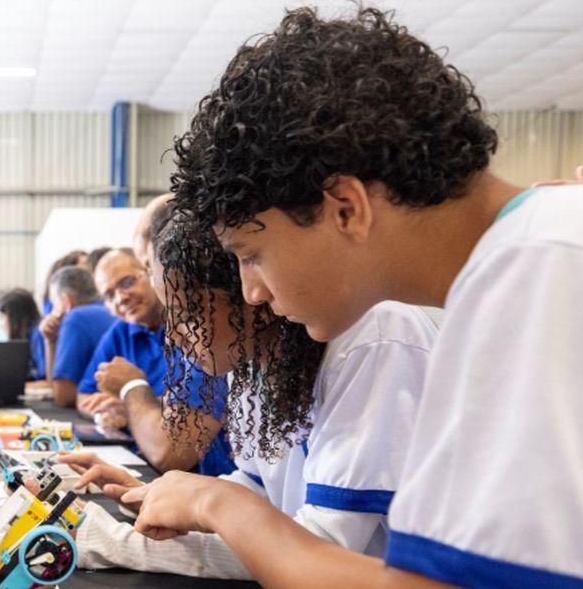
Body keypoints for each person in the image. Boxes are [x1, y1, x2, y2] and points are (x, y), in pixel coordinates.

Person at [130, 4, 583, 587]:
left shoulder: (546, 270)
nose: (251, 291)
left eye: (251, 255)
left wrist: (217, 504)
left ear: (346, 208)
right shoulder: (527, 264)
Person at [67, 205, 438, 579]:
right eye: (170, 314)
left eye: (189, 315)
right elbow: (258, 490)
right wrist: (162, 499)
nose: (174, 336)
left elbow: (321, 547)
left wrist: (124, 543)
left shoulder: (375, 338)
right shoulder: (251, 356)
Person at [75, 210, 233, 476]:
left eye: (128, 281)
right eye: (109, 295)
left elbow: (170, 451)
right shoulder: (122, 332)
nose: (121, 298)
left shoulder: (209, 333)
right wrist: (124, 409)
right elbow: (86, 394)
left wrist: (131, 390)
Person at [41, 266, 116, 408]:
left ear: (66, 301)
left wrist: (49, 342)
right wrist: (51, 339)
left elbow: (63, 396)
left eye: (54, 303)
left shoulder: (76, 317)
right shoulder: (111, 311)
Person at [0, 288, 45, 380]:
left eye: (2, 317)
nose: (0, 324)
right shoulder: (25, 336)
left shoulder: (38, 334)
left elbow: (43, 376)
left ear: (14, 317)